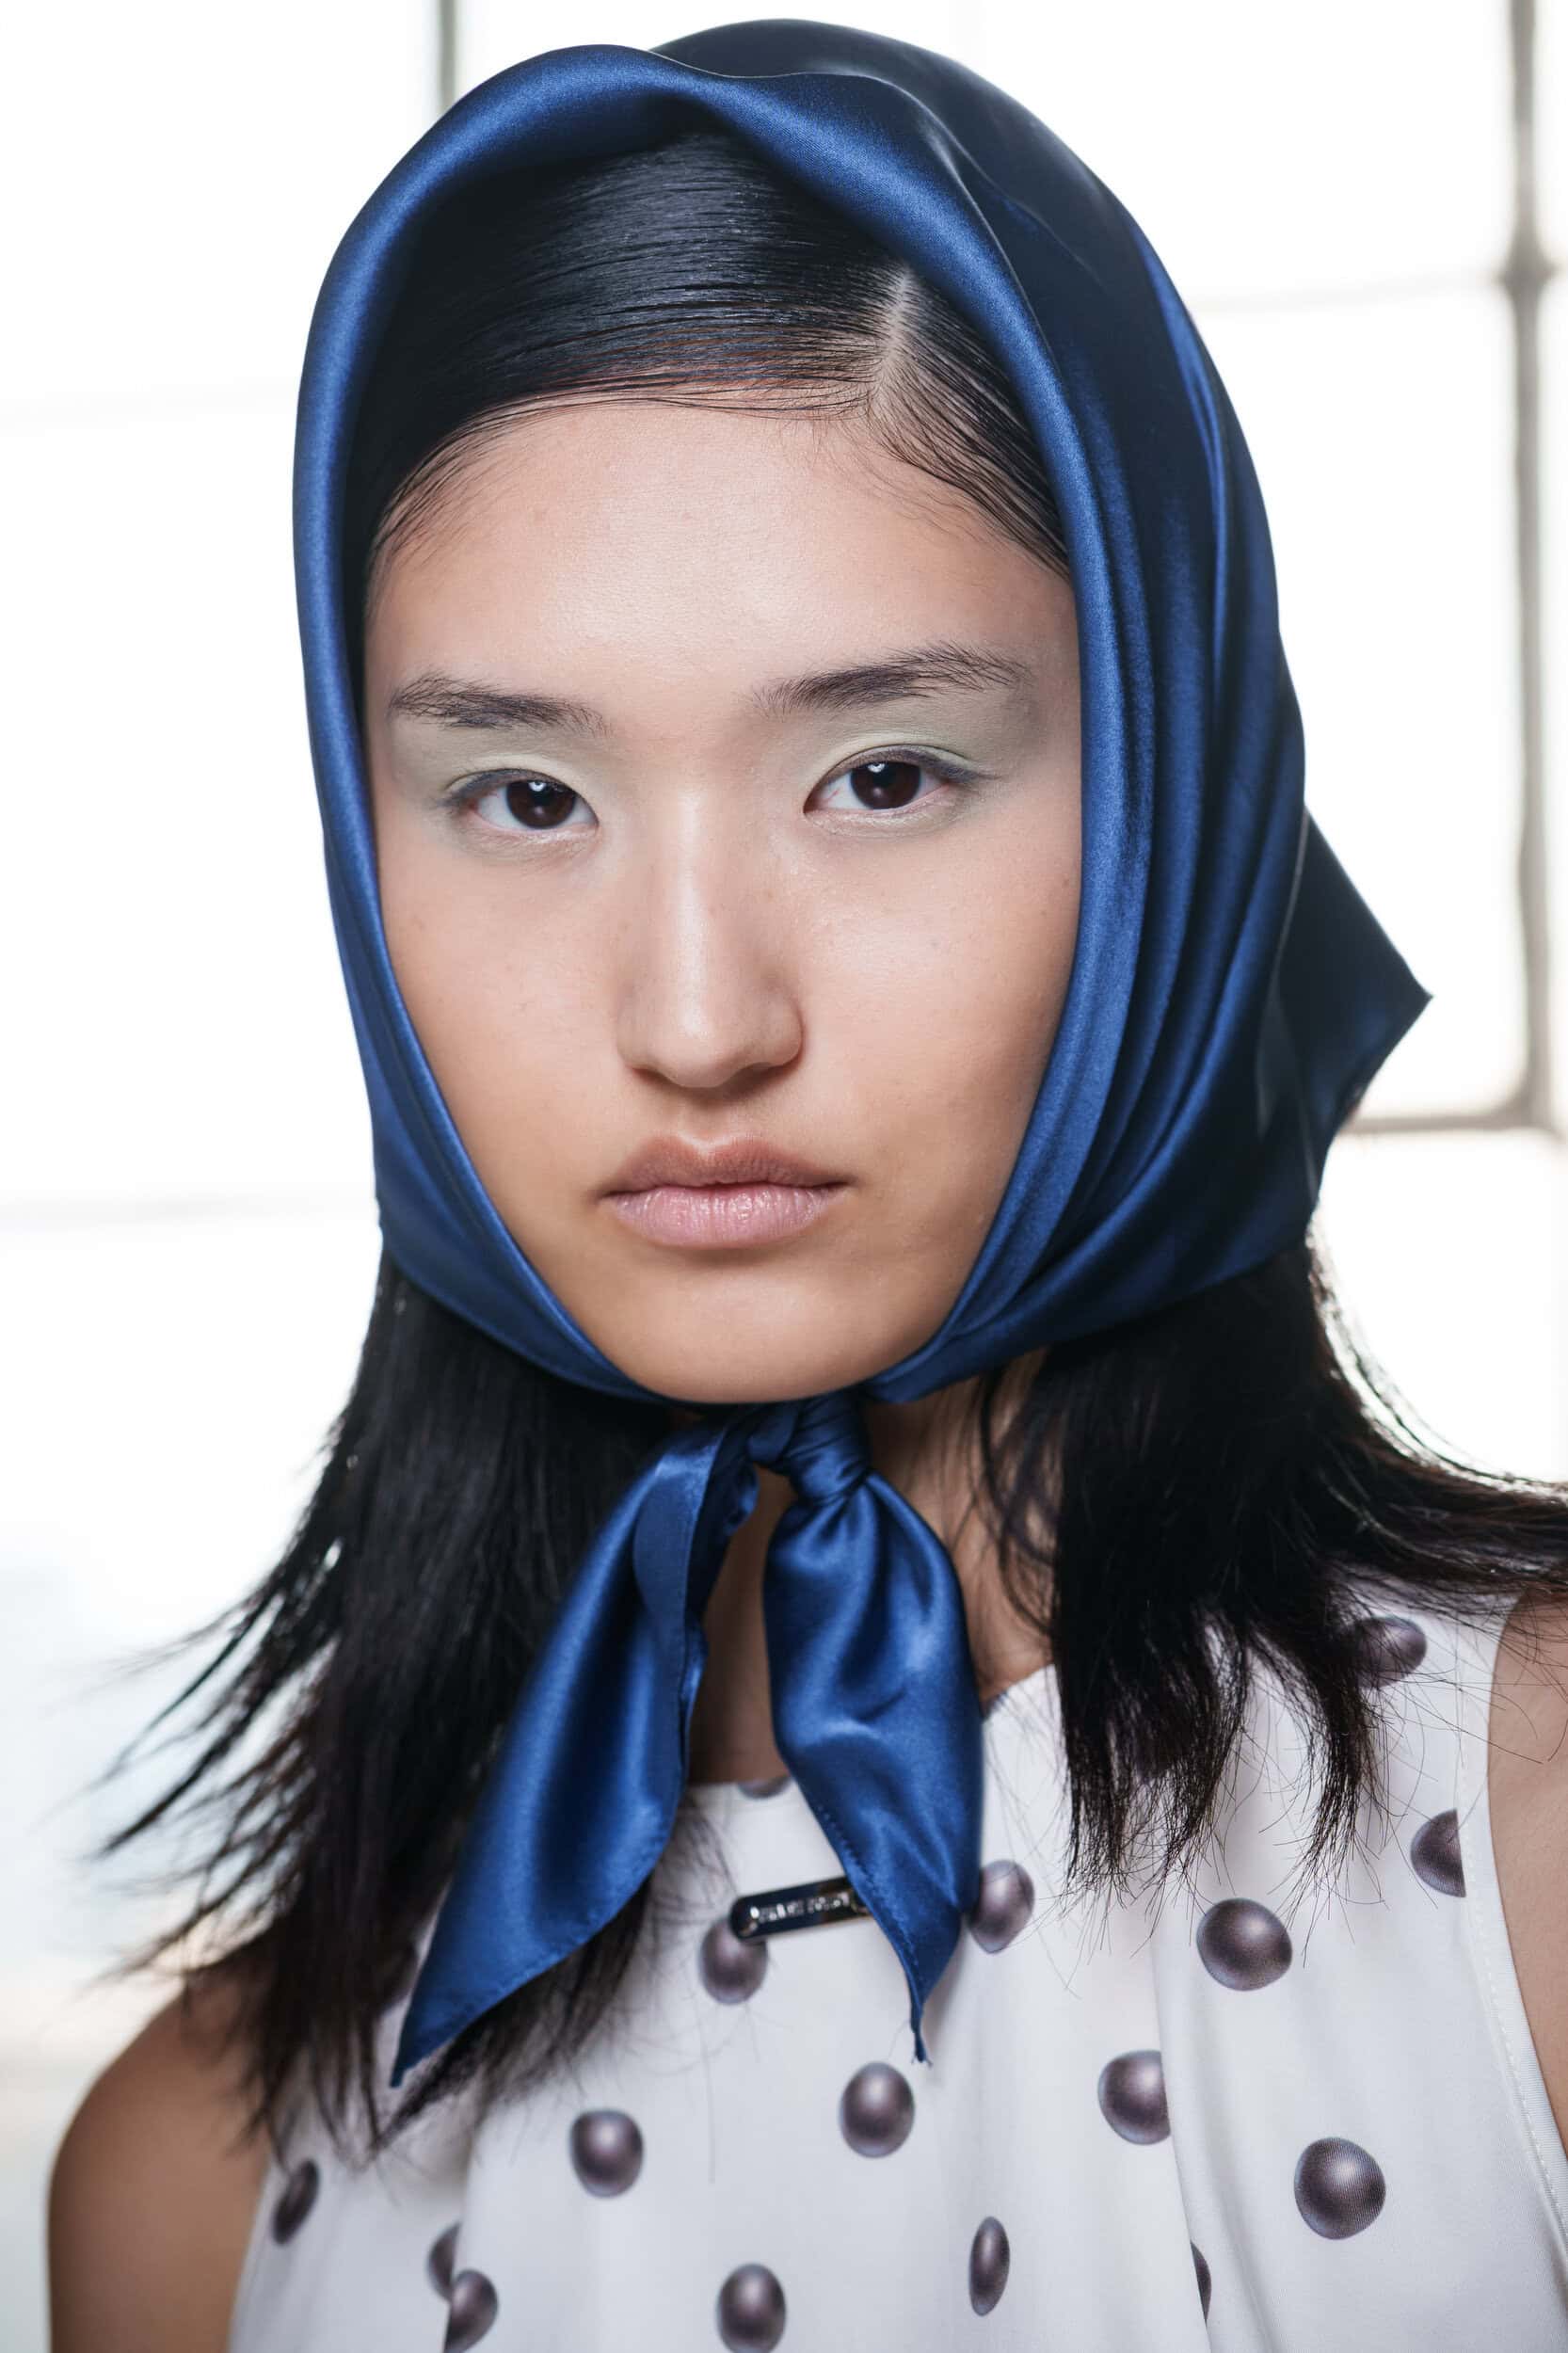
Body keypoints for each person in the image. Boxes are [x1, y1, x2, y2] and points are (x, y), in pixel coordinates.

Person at [46, 22, 1568, 2352]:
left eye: (879, 774)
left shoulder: (1529, 1853)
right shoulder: (199, 2175)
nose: (694, 1016)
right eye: (524, 798)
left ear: (1176, 813)